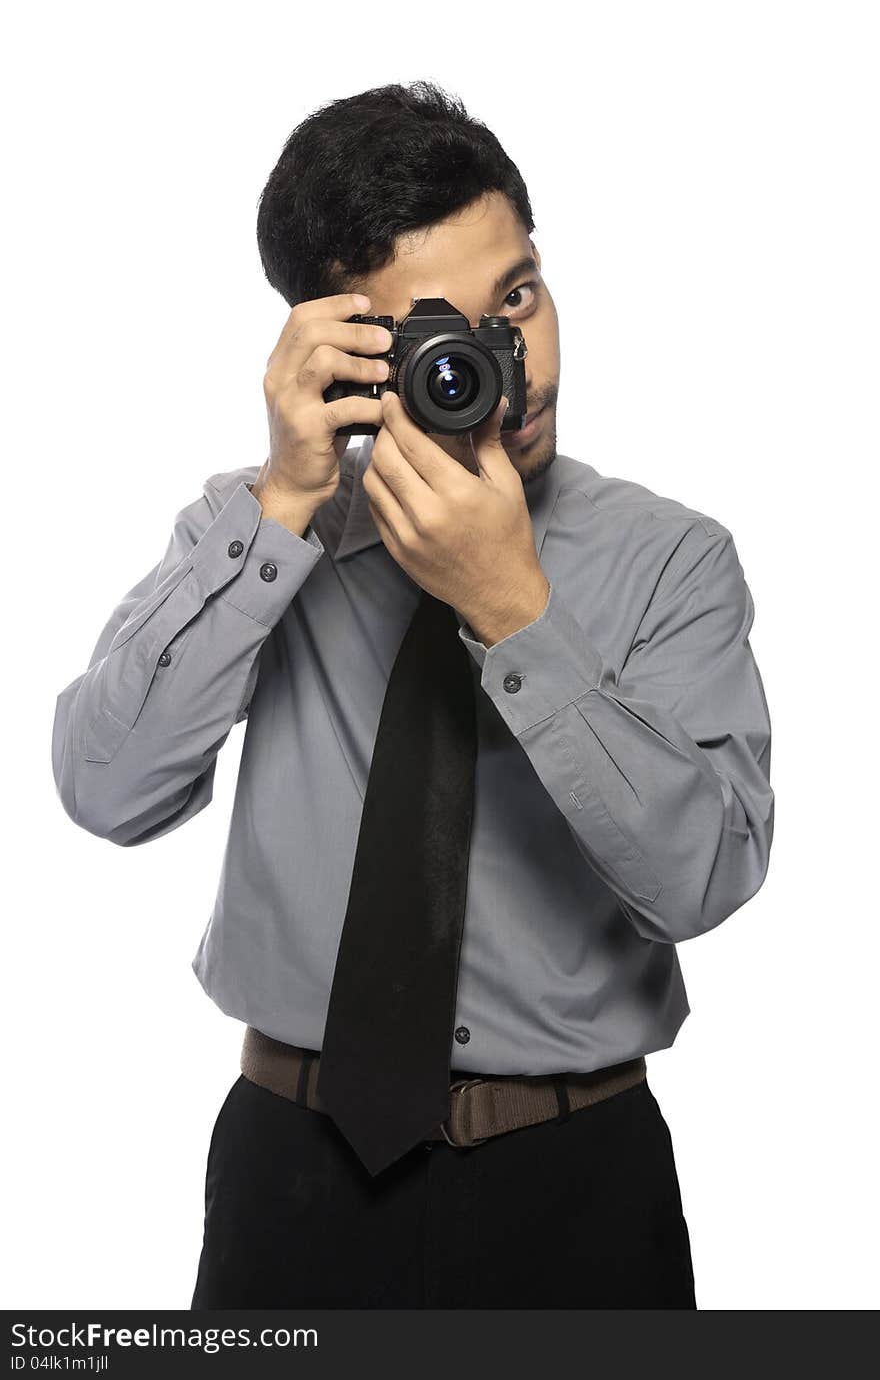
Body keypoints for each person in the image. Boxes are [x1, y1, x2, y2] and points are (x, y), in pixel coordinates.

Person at [51, 81, 774, 1310]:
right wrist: (282, 503)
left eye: (520, 297)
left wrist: (514, 611)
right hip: (293, 1169)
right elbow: (106, 791)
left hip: (581, 1177)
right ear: (331, 346)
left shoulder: (670, 557)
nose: (509, 360)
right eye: (439, 329)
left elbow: (702, 881)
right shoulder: (259, 535)